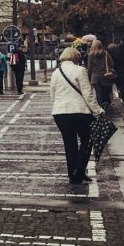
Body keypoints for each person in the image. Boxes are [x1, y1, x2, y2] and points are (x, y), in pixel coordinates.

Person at [50, 46, 104, 184]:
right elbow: (87, 93)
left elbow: (53, 94)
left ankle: (72, 174)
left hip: (60, 113)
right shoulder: (80, 70)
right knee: (87, 140)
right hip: (79, 112)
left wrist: (56, 107)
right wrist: (97, 110)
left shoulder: (56, 72)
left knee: (70, 144)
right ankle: (79, 170)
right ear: (76, 57)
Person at [86, 39, 115, 110]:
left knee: (98, 94)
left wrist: (88, 78)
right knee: (106, 92)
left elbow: (89, 67)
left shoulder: (90, 55)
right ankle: (107, 106)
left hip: (95, 77)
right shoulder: (106, 53)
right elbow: (111, 64)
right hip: (105, 76)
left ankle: (100, 108)